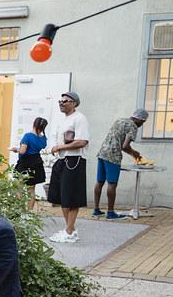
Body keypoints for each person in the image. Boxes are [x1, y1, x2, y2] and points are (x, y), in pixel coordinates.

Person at [46, 91, 90, 243]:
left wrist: (59, 147)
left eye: (65, 101)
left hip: (74, 160)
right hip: (62, 160)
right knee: (62, 196)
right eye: (60, 101)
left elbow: (82, 141)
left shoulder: (79, 118)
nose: (61, 103)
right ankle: (69, 229)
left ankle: (70, 231)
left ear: (74, 103)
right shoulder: (64, 120)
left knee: (71, 197)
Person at [93, 109, 148, 220]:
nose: (141, 125)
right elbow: (125, 146)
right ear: (139, 119)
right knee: (112, 184)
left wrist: (132, 153)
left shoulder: (120, 120)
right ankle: (110, 213)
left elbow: (118, 140)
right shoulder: (133, 126)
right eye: (142, 122)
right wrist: (135, 153)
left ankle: (96, 210)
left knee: (100, 182)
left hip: (102, 152)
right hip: (113, 156)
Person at [12, 117, 48, 210]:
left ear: (34, 124)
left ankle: (20, 209)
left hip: (25, 163)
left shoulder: (27, 136)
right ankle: (29, 211)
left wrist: (16, 149)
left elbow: (22, 151)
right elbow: (42, 147)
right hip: (36, 162)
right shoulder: (43, 138)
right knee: (31, 189)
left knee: (17, 186)